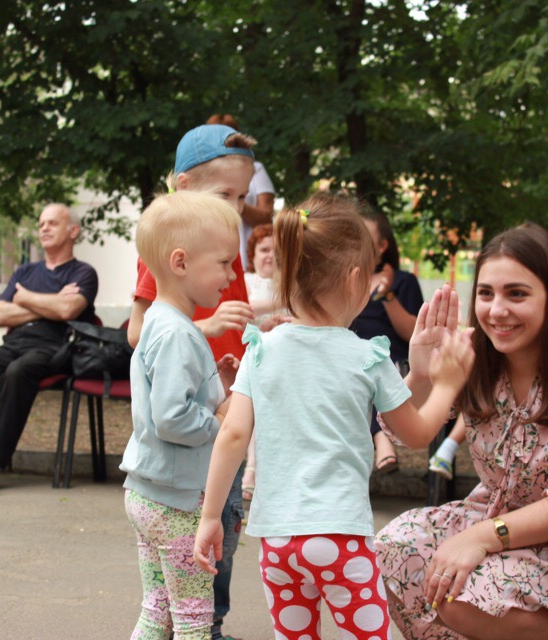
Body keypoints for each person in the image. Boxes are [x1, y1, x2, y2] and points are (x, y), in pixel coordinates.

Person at [193, 193, 475, 640]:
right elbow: (417, 432)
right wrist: (445, 383)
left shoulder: (261, 348)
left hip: (278, 542)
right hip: (341, 539)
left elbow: (231, 436)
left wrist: (210, 517)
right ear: (357, 279)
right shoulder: (366, 356)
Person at [375, 224, 548, 639]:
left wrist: (479, 539)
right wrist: (420, 372)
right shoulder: (473, 358)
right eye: (486, 293)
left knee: (461, 595)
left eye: (516, 294)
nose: (496, 310)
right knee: (395, 550)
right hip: (498, 515)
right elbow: (404, 435)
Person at [126, 123, 255, 640]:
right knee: (195, 622)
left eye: (242, 197)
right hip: (182, 491)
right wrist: (219, 413)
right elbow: (172, 414)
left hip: (151, 488)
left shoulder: (171, 316)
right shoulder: (175, 322)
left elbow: (170, 377)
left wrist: (214, 381)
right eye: (225, 195)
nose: (228, 273)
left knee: (158, 609)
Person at [0, 203, 98, 490]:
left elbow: (67, 312)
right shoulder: (25, 271)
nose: (44, 229)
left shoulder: (84, 273)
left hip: (57, 346)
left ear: (73, 231)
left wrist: (25, 298)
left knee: (18, 371)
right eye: (40, 225)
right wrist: (49, 302)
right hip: (17, 341)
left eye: (52, 223)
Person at [351, 208, 425, 474]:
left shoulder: (404, 281)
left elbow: (412, 333)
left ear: (382, 246)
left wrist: (387, 295)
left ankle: (381, 438)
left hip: (393, 364)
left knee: (373, 372)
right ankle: (380, 439)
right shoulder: (343, 281)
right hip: (350, 360)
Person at [240, 223, 290, 500]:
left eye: (275, 250)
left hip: (284, 354)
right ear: (253, 253)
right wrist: (265, 324)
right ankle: (252, 469)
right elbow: (245, 309)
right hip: (249, 351)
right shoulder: (246, 281)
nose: (269, 255)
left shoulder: (288, 281)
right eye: (264, 249)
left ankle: (262, 471)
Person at [205, 114, 275, 266]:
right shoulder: (203, 173)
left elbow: (267, 216)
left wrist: (232, 200)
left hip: (248, 259)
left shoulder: (256, 169)